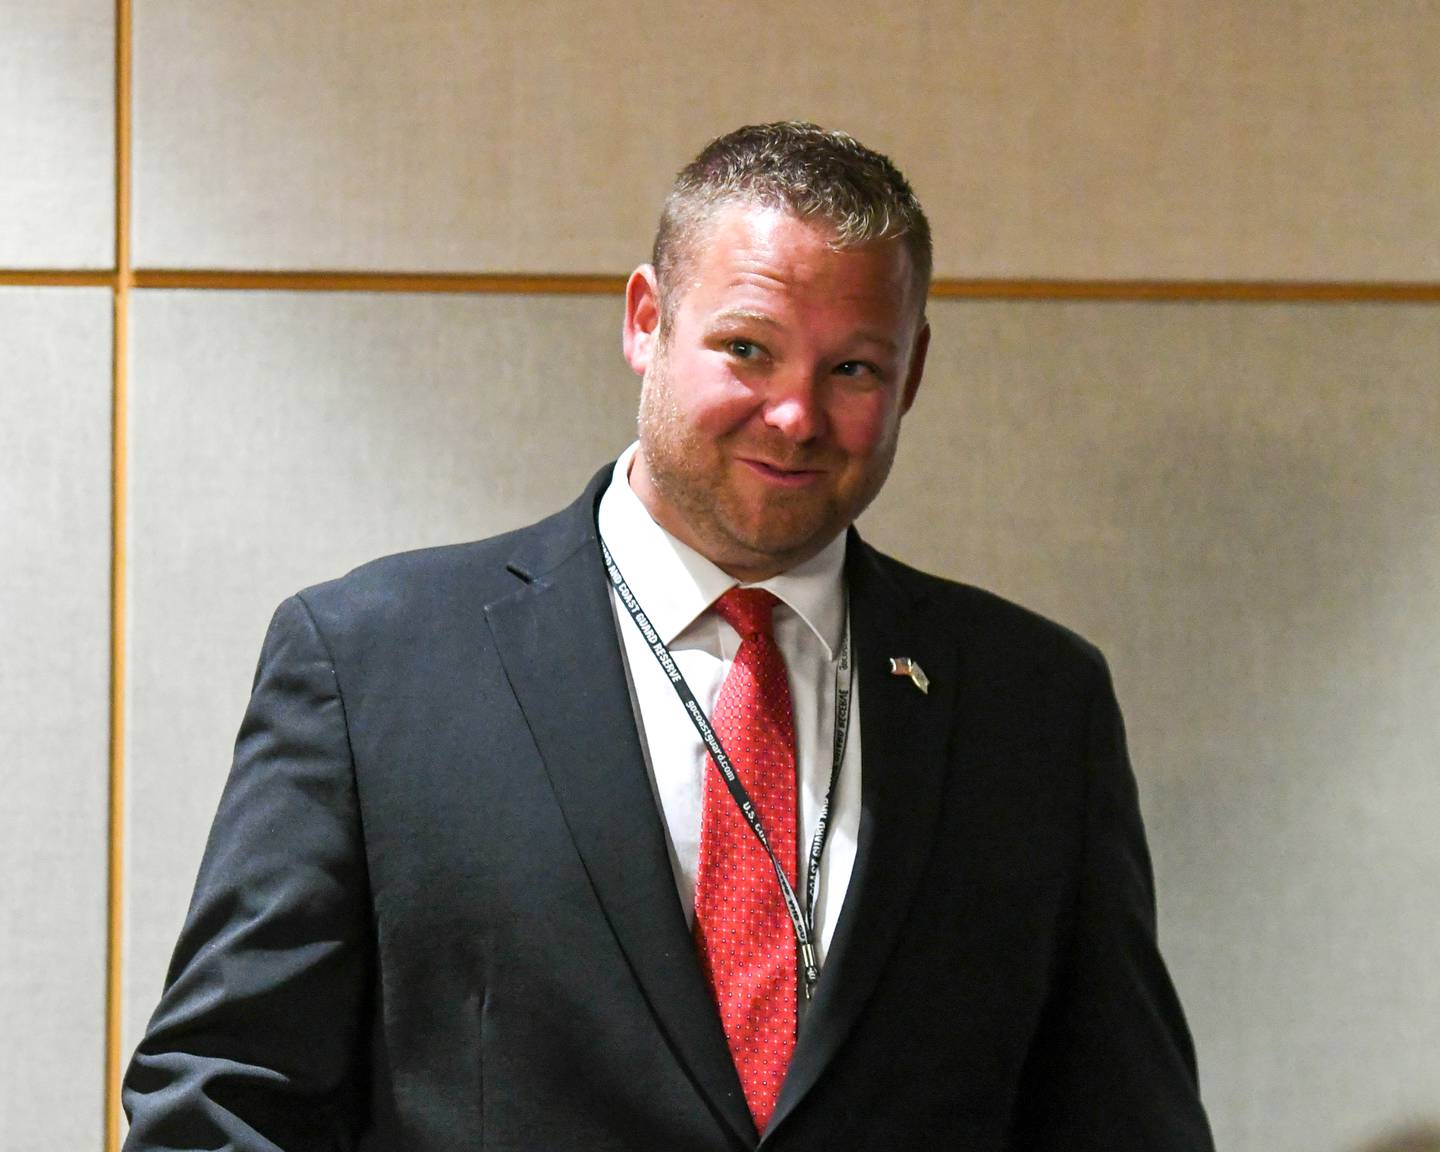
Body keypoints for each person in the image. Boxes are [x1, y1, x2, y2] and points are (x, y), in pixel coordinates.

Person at [123, 122, 1215, 1151]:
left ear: (912, 373)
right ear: (646, 320)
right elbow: (224, 1098)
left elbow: (1122, 1118)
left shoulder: (1033, 705)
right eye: (749, 348)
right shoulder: (373, 664)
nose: (796, 415)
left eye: (853, 369)